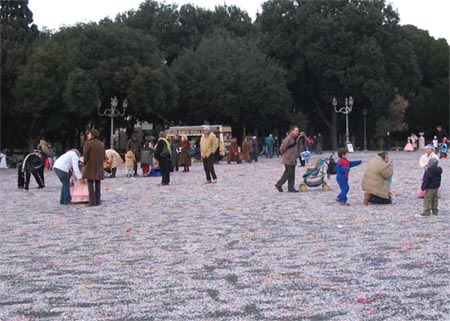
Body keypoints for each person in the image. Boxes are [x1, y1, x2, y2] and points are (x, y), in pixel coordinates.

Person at [82, 129, 105, 206]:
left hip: (90, 165)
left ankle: (92, 201)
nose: (88, 135)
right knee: (98, 183)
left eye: (89, 134)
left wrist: (84, 163)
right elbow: (103, 155)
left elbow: (86, 155)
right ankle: (98, 201)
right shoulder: (101, 144)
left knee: (90, 183)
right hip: (99, 166)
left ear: (92, 135)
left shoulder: (88, 143)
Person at [275, 125, 299, 193]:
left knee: (292, 173)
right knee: (288, 172)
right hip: (288, 159)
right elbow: (282, 148)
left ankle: (291, 187)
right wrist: (286, 154)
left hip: (293, 159)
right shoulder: (288, 138)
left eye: (298, 131)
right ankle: (279, 184)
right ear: (292, 131)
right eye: (296, 130)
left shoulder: (294, 138)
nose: (297, 132)